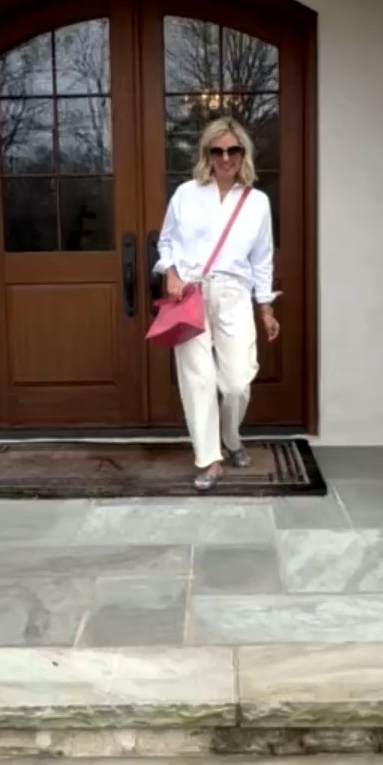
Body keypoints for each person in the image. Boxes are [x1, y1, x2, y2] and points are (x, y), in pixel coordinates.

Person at [156, 116, 280, 491]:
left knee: (237, 381)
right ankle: (209, 460)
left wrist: (267, 309)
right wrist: (172, 275)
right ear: (206, 154)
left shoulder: (257, 202)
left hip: (234, 294)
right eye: (218, 150)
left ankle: (231, 435)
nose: (226, 157)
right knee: (199, 379)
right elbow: (166, 243)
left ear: (244, 154)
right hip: (190, 292)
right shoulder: (186, 194)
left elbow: (262, 259)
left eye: (233, 150)